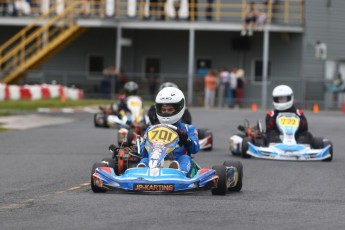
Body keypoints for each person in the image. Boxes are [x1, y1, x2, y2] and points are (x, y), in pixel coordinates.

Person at [137, 87, 200, 174]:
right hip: (155, 161)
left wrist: (185, 139)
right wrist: (146, 144)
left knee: (185, 158)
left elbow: (195, 149)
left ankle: (179, 173)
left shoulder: (188, 128)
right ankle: (141, 173)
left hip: (177, 161)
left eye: (170, 110)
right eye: (163, 110)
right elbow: (143, 154)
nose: (166, 113)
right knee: (144, 159)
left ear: (179, 109)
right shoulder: (151, 129)